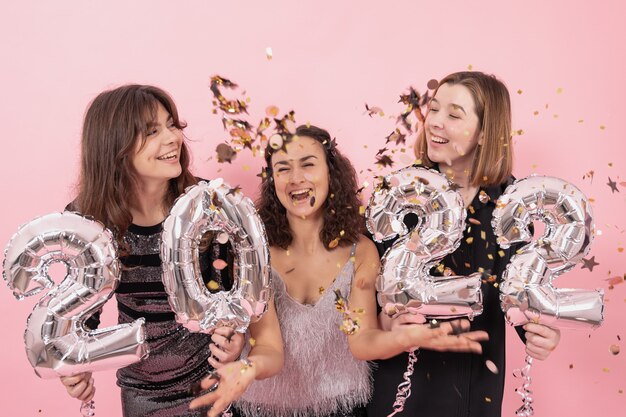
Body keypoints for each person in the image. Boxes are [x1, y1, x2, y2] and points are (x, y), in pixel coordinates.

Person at [189, 125, 488, 417]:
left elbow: (363, 340)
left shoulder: (362, 251)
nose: (296, 178)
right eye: (283, 168)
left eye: (308, 164)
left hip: (342, 409)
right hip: (262, 409)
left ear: (330, 173)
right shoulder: (255, 250)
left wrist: (408, 338)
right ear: (272, 180)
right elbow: (268, 347)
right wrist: (247, 367)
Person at [58, 84, 283, 417]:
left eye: (172, 124)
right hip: (141, 396)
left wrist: (239, 345)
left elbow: (267, 339)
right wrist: (73, 367)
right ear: (113, 146)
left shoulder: (213, 208)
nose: (173, 138)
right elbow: (79, 324)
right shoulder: (88, 222)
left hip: (213, 388)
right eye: (152, 131)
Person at [366, 71, 562, 417]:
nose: (435, 123)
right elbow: (362, 294)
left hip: (474, 393)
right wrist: (384, 322)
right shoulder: (401, 194)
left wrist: (540, 334)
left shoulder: (512, 206)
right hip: (399, 390)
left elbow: (519, 297)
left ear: (486, 133)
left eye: (454, 115)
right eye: (435, 109)